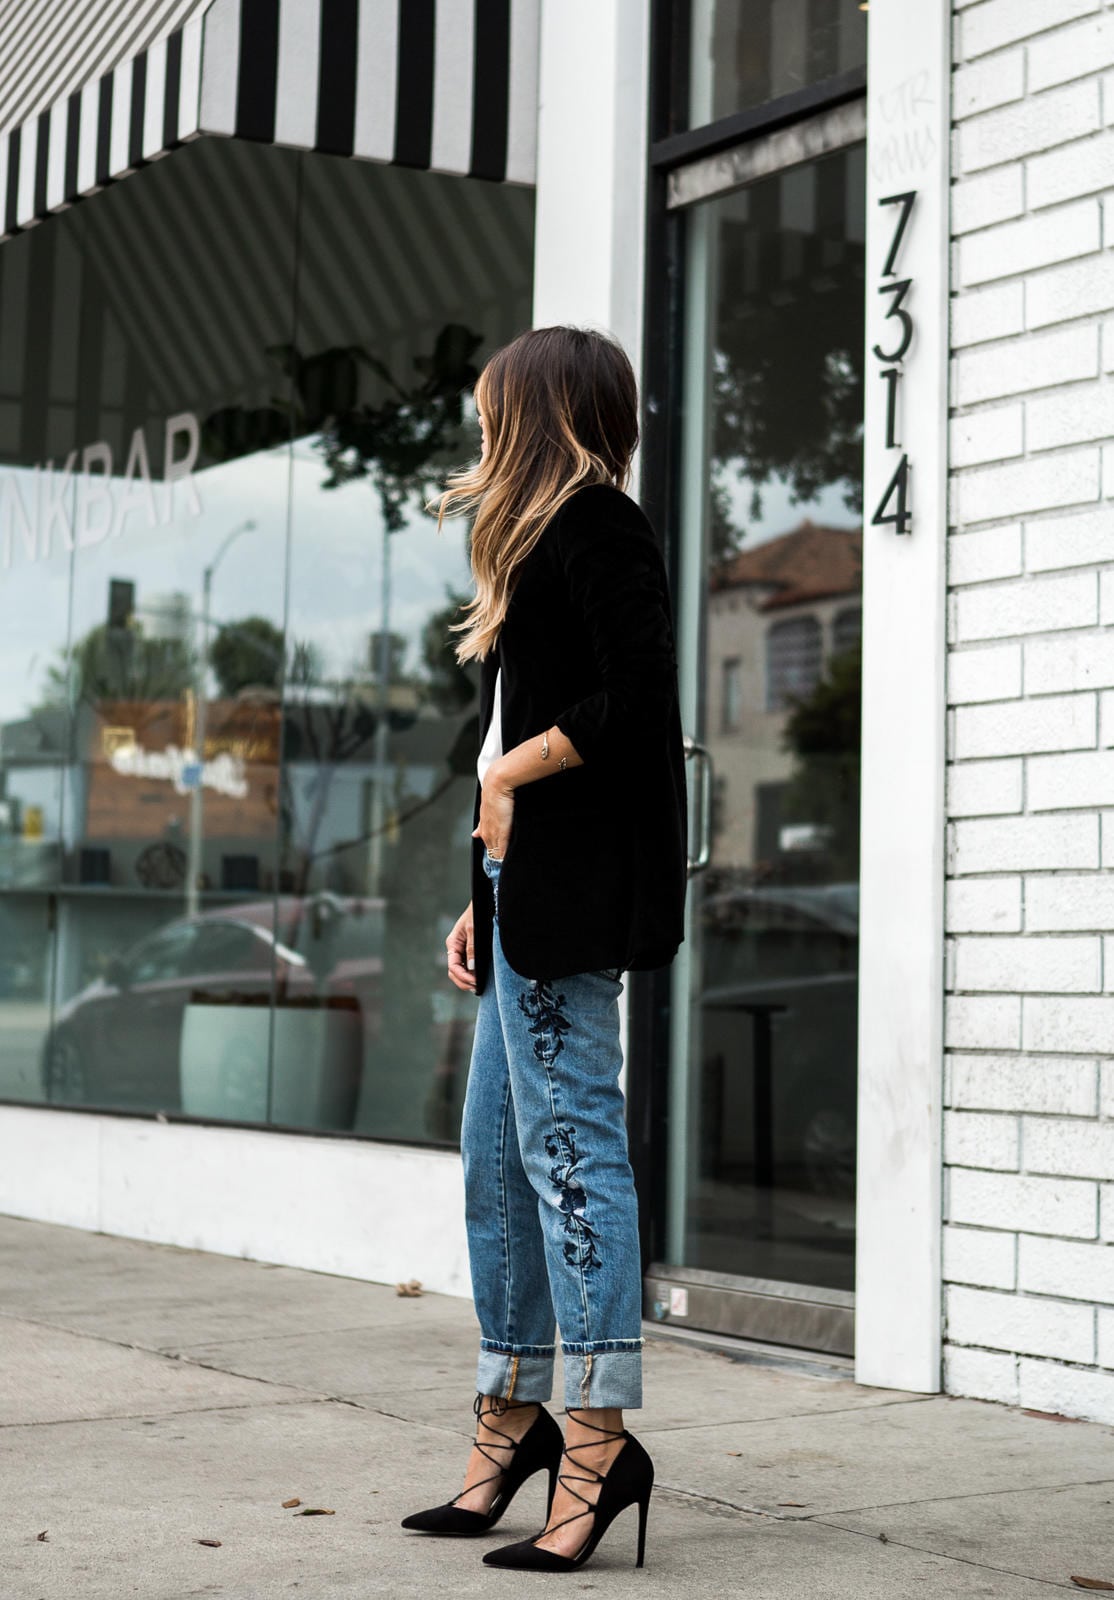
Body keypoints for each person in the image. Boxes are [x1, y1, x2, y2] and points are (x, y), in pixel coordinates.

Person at [400, 325, 687, 1573]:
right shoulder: (534, 546)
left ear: (537, 416)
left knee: (569, 1155)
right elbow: (511, 742)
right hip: (524, 892)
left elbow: (636, 704)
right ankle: (509, 1412)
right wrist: (483, 885)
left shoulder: (599, 525)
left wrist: (514, 775)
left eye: (488, 415)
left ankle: (596, 1435)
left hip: (569, 902)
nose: (478, 438)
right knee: (495, 1170)